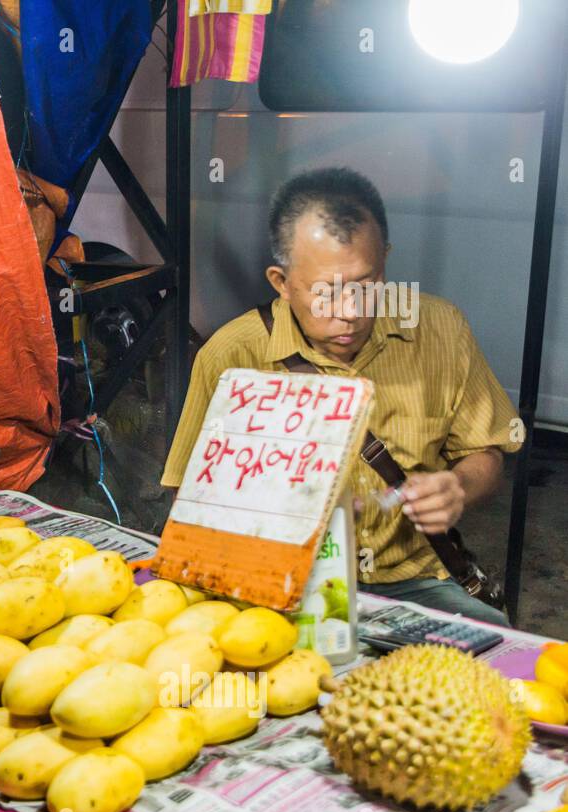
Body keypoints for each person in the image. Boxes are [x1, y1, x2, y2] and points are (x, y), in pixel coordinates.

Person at [161, 167, 521, 626]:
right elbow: (188, 502)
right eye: (325, 292)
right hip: (280, 585)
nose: (349, 312)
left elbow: (486, 453)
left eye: (366, 285)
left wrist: (459, 487)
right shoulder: (231, 355)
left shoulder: (440, 329)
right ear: (281, 281)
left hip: (415, 584)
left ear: (385, 261)